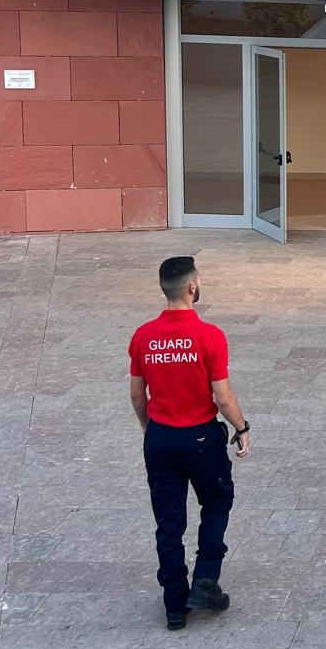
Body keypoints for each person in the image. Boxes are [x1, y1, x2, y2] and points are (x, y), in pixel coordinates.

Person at [128, 256, 250, 630]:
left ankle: (174, 605)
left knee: (169, 521)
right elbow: (223, 397)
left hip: (161, 438)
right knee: (216, 502)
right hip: (201, 438)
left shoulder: (143, 335)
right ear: (192, 287)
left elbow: (137, 395)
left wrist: (151, 428)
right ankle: (205, 580)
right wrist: (242, 427)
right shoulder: (210, 336)